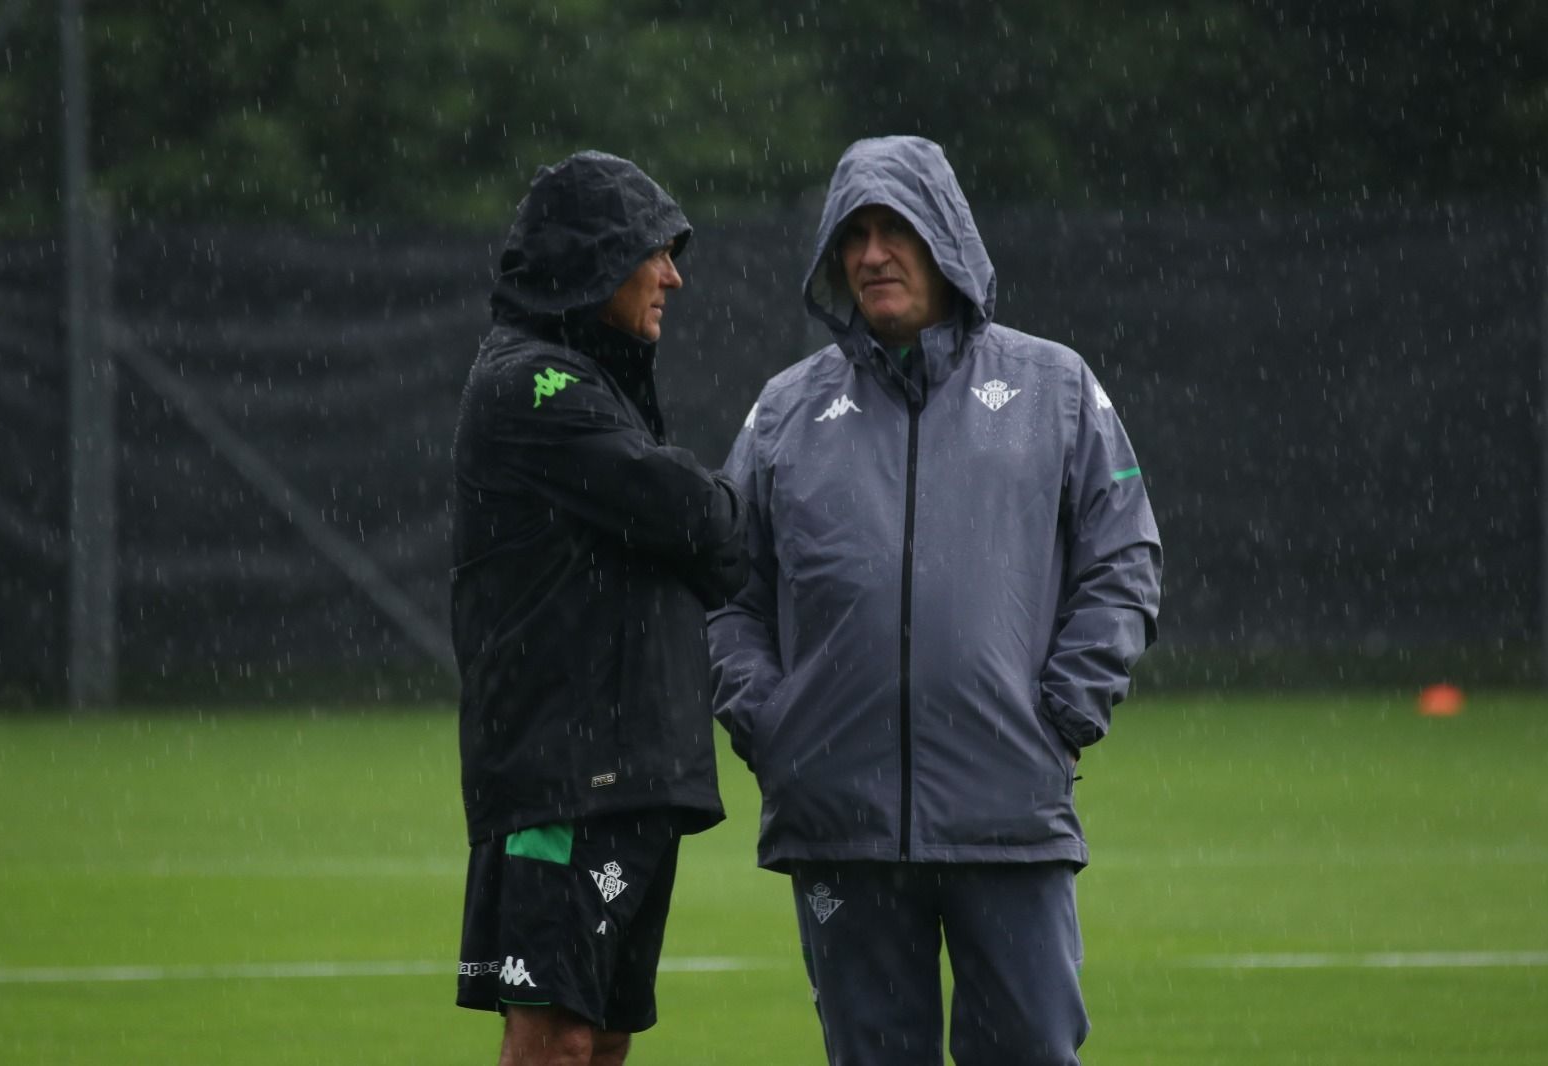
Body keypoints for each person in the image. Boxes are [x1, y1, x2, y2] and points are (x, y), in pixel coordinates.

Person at [708, 135, 1162, 1066]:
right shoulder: (784, 411)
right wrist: (773, 722)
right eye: (854, 235)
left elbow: (1124, 554)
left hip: (1008, 810)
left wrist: (1064, 712)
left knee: (1032, 1053)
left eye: (897, 230)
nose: (873, 255)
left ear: (946, 237)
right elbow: (724, 588)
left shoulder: (1056, 387)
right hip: (839, 822)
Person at [451, 150, 748, 1066]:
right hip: (570, 777)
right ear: (593, 259)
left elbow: (695, 535)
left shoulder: (595, 383)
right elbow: (698, 520)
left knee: (604, 1036)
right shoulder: (536, 385)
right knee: (558, 1037)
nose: (673, 276)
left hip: (623, 776)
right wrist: (720, 517)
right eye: (653, 253)